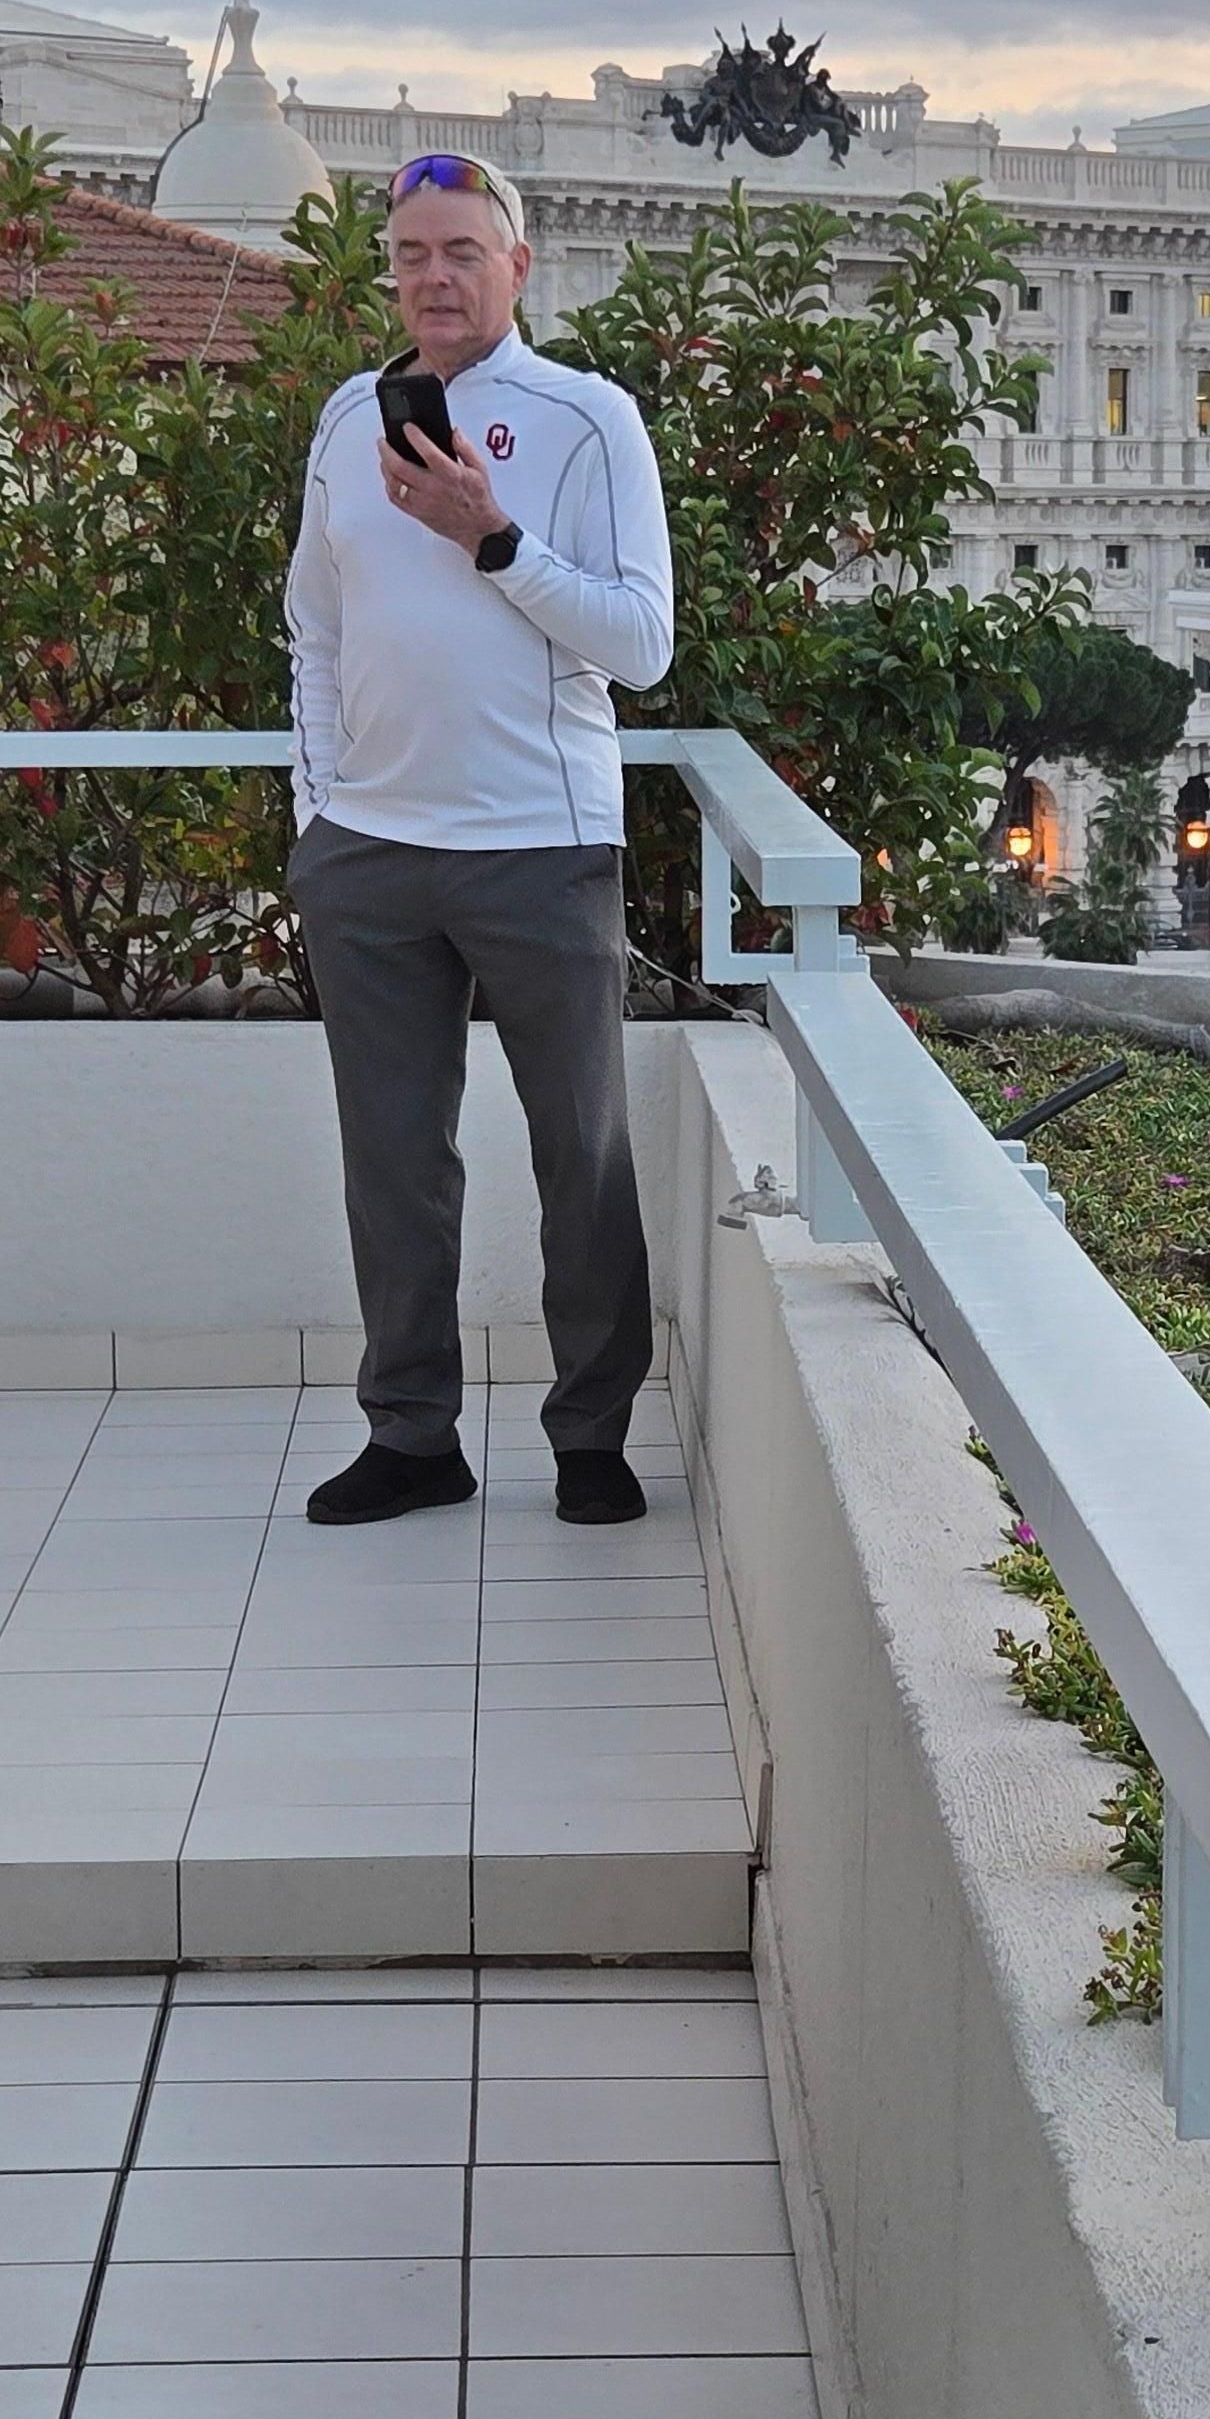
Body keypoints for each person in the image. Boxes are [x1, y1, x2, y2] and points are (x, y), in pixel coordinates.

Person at [284, 147, 674, 1527]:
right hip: (368, 857)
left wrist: (493, 536)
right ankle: (411, 1435)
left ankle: (591, 1438)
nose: (433, 277)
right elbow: (314, 631)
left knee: (581, 1149)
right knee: (392, 1158)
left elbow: (640, 646)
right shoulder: (348, 421)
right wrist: (319, 812)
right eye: (410, 256)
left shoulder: (585, 420)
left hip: (540, 848)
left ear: (517, 267)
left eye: (461, 251)